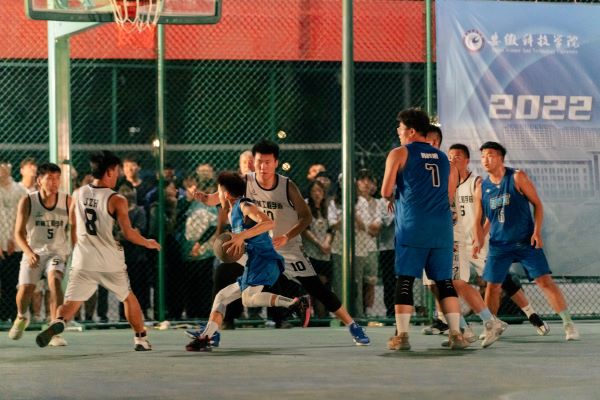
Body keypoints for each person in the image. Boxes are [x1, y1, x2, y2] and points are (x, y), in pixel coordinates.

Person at [195, 140, 370, 345]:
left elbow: (306, 217)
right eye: (259, 162)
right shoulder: (247, 181)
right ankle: (213, 330)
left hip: (286, 247)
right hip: (258, 248)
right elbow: (220, 197)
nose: (263, 167)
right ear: (253, 162)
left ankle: (352, 325)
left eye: (267, 162)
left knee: (317, 289)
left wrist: (287, 236)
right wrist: (203, 197)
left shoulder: (287, 186)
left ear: (276, 163)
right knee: (224, 272)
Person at [36, 151, 161, 350]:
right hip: (109, 259)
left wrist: (77, 250)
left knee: (71, 304)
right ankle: (141, 339)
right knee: (128, 297)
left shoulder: (78, 193)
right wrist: (147, 242)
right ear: (109, 171)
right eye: (117, 171)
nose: (118, 174)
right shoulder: (117, 199)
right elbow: (128, 233)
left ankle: (58, 321)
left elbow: (73, 225)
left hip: (83, 258)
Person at [185, 171, 310, 351]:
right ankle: (206, 337)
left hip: (264, 258)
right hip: (253, 262)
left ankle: (295, 303)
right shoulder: (231, 207)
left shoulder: (244, 205)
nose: (216, 195)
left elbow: (268, 223)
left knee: (248, 299)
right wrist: (202, 197)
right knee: (222, 297)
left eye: (219, 191)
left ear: (227, 194)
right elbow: (212, 199)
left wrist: (241, 236)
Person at [380, 108, 470, 351]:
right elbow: (449, 195)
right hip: (441, 228)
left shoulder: (399, 153)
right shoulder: (442, 157)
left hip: (413, 227)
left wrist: (394, 196)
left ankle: (402, 336)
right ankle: (456, 334)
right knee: (445, 282)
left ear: (411, 131)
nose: (398, 132)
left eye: (400, 128)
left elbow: (385, 191)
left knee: (405, 280)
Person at [473, 141, 579, 341]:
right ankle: (491, 326)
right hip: (499, 245)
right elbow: (482, 219)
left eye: (490, 155)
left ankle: (568, 324)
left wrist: (536, 232)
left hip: (524, 241)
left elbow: (538, 205)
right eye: (483, 156)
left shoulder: (517, 177)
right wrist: (477, 240)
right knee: (492, 286)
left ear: (501, 158)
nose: (486, 159)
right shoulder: (482, 188)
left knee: (544, 281)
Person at [449, 143, 550, 339]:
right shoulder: (449, 186)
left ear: (467, 160)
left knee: (503, 282)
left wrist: (480, 237)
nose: (453, 160)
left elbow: (488, 215)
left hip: (480, 243)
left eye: (457, 156)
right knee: (451, 281)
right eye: (450, 157)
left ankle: (532, 315)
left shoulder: (477, 183)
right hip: (458, 244)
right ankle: (458, 325)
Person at [8, 163, 70, 346]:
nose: (54, 182)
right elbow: (18, 233)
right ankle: (21, 316)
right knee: (25, 290)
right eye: (50, 178)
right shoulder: (28, 201)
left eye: (57, 178)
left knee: (55, 281)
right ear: (39, 180)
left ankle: (54, 330)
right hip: (34, 252)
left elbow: (76, 225)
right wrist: (28, 252)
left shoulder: (67, 201)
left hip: (57, 252)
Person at [0, 160, 27, 322]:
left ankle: (10, 315)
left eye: (5, 169)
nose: (2, 172)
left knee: (11, 282)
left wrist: (12, 238)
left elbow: (21, 216)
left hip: (15, 244)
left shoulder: (19, 190)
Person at [301, 180, 332, 318]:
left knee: (324, 284)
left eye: (319, 191)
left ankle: (322, 315)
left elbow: (331, 229)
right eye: (314, 191)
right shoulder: (306, 206)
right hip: (310, 252)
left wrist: (326, 243)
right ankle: (310, 315)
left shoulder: (328, 207)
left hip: (325, 253)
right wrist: (319, 244)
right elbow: (305, 229)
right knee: (312, 285)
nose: (317, 194)